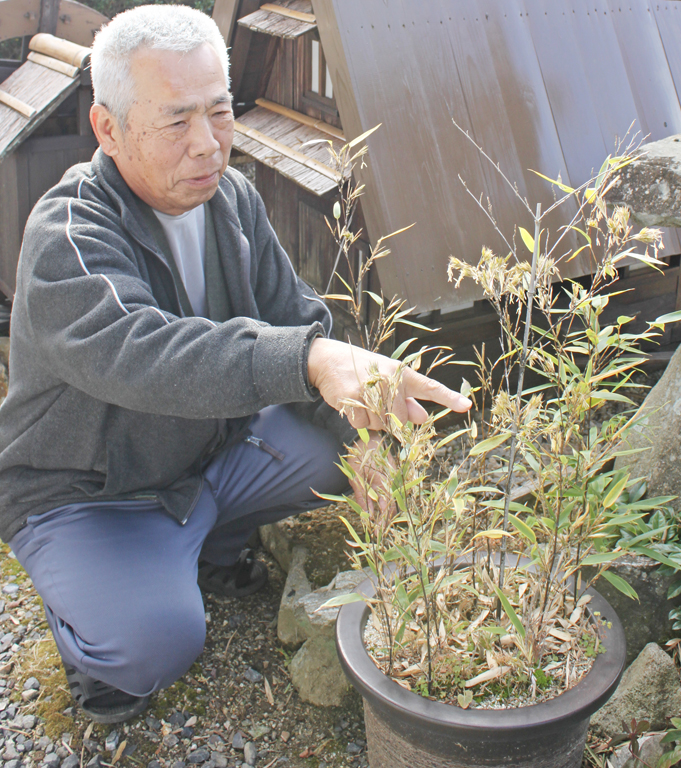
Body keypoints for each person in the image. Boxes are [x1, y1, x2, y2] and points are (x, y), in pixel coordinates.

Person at [0, 5, 470, 724]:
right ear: (108, 127)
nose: (208, 145)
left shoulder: (232, 202)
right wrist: (312, 360)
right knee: (156, 645)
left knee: (327, 451)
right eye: (177, 121)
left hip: (202, 456)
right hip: (91, 490)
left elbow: (298, 317)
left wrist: (365, 437)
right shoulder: (69, 233)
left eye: (219, 113)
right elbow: (143, 353)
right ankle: (96, 640)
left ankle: (209, 545)